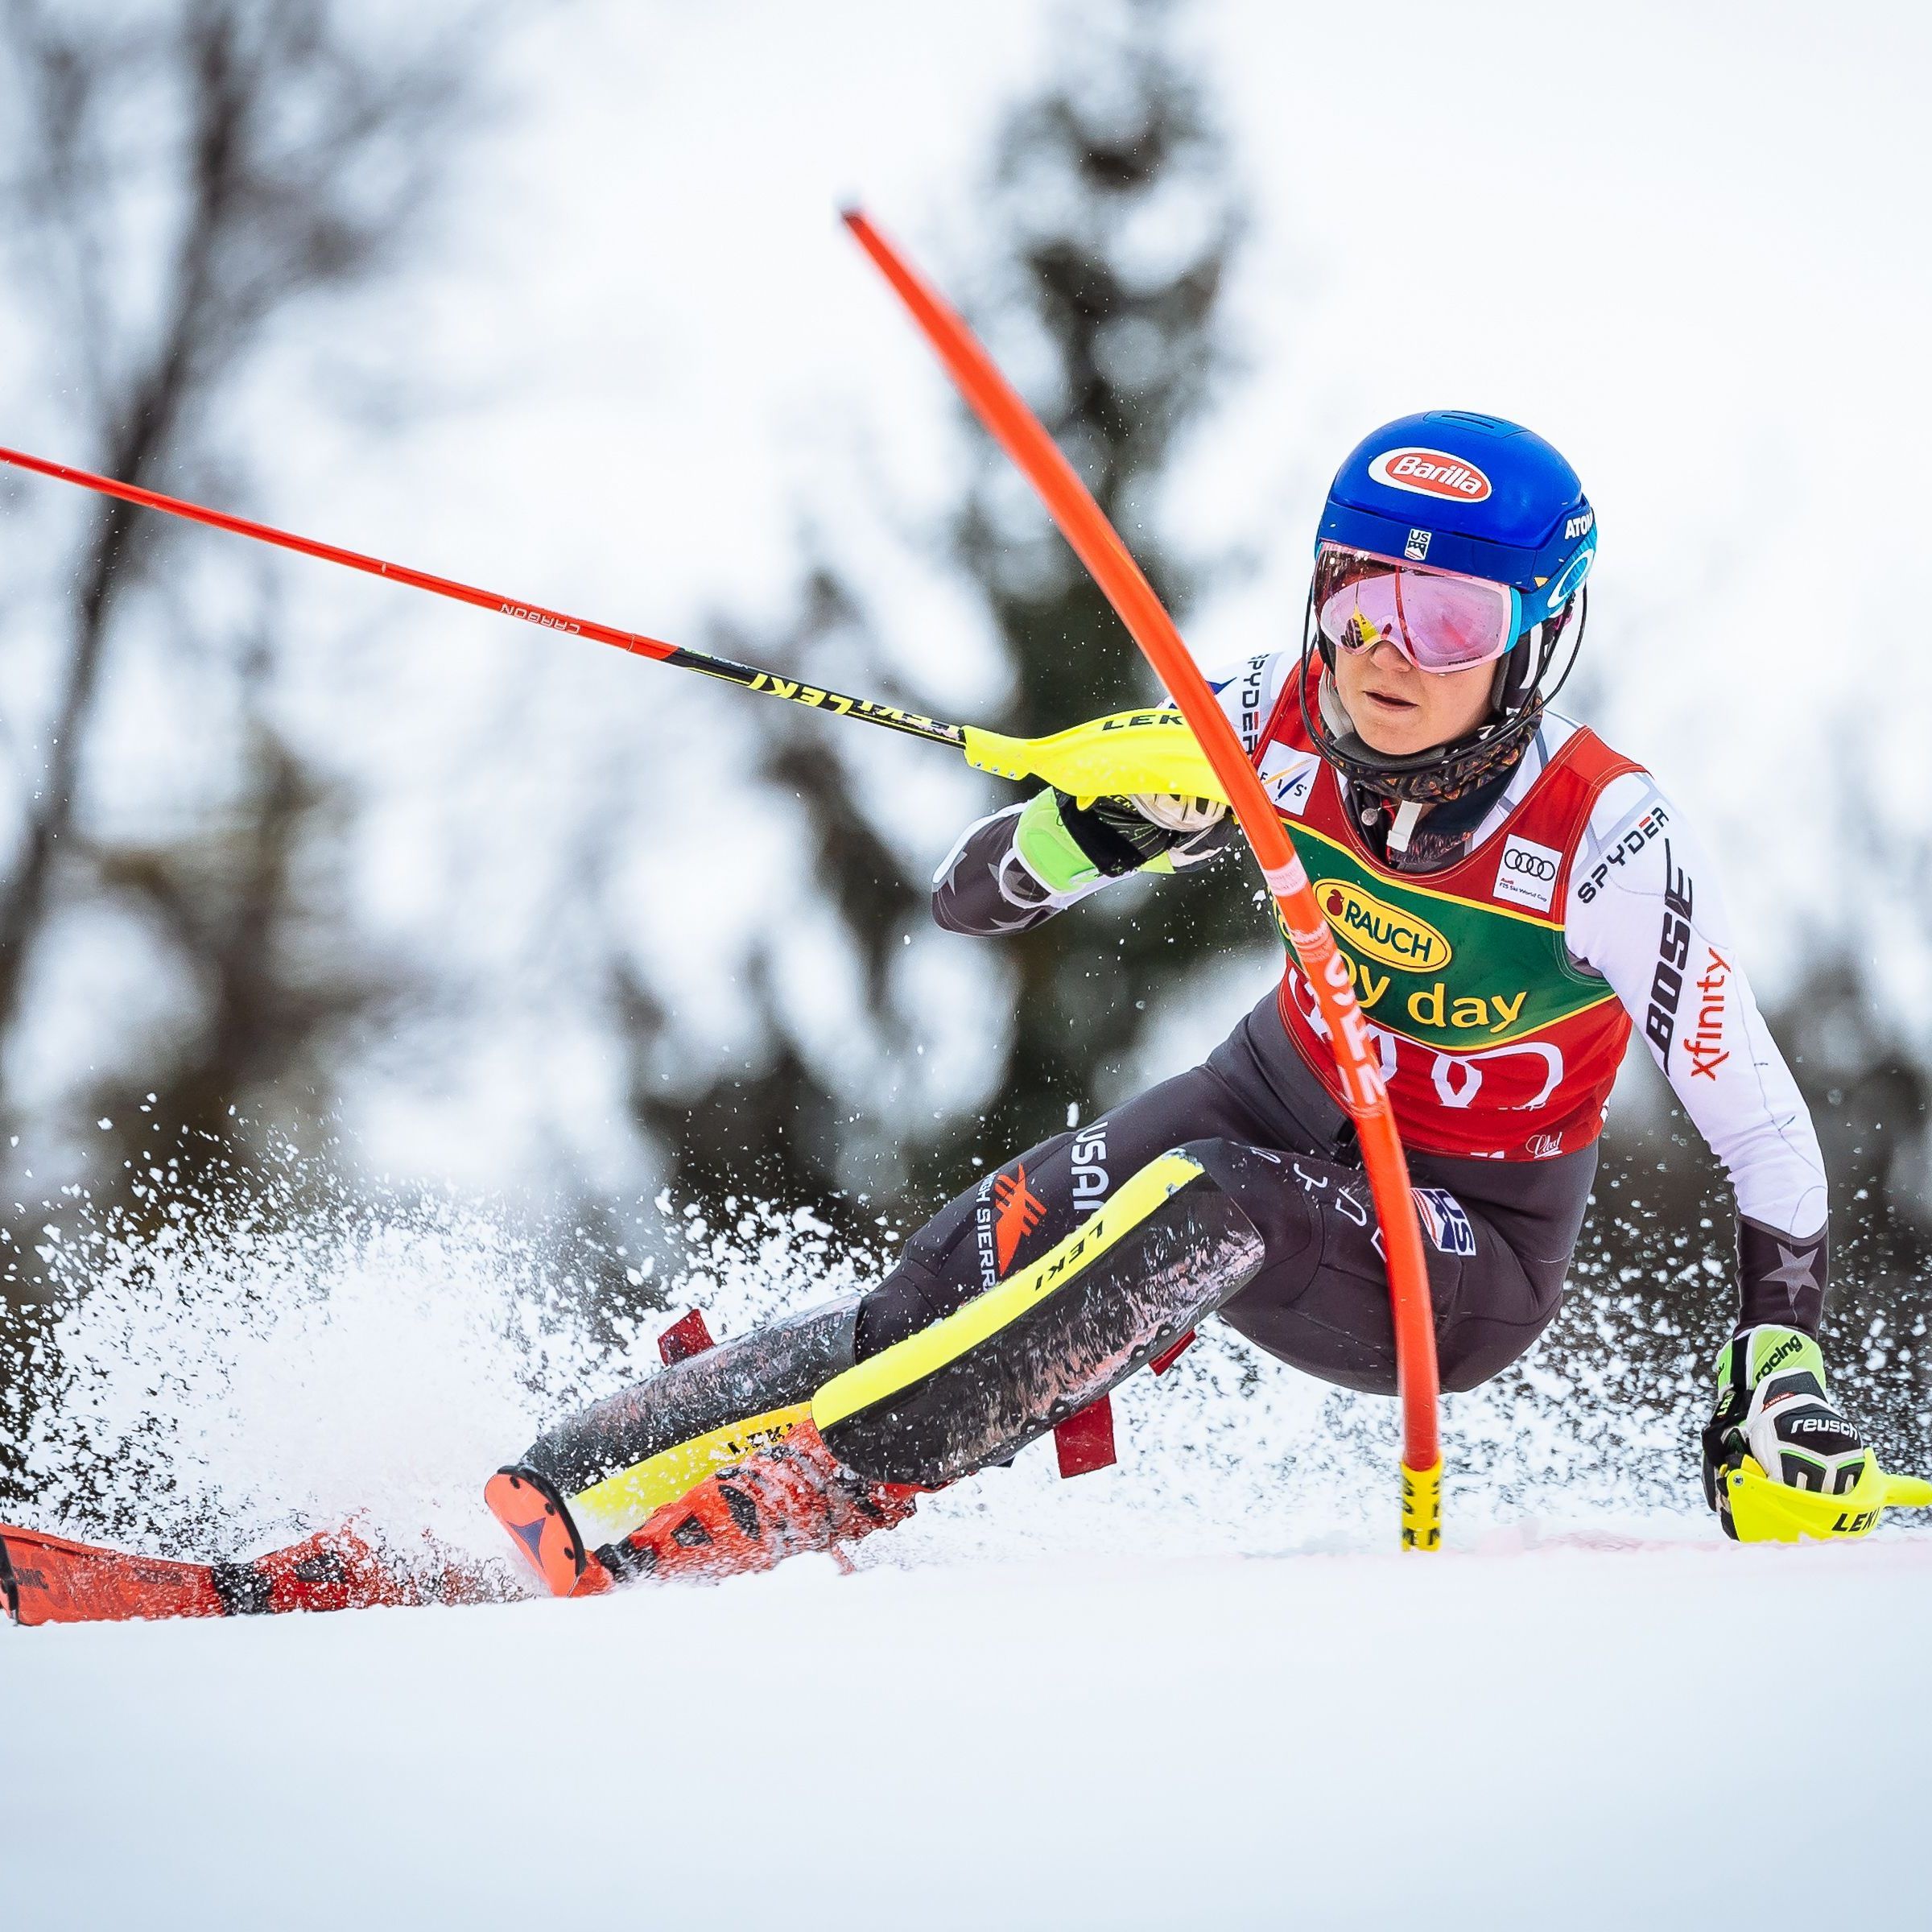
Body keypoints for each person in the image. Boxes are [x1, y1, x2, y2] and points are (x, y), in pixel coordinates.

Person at [485, 410, 1866, 1596]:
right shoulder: (1260, 713)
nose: (1389, 652)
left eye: (1451, 620)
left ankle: (817, 1491)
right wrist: (1095, 826)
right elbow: (969, 902)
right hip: (1272, 1087)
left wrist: (1780, 1368)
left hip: (1461, 1244)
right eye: (1357, 596)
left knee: (1216, 1196)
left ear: (1536, 641)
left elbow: (1761, 1130)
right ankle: (561, 1470)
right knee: (938, 1290)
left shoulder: (1608, 840)